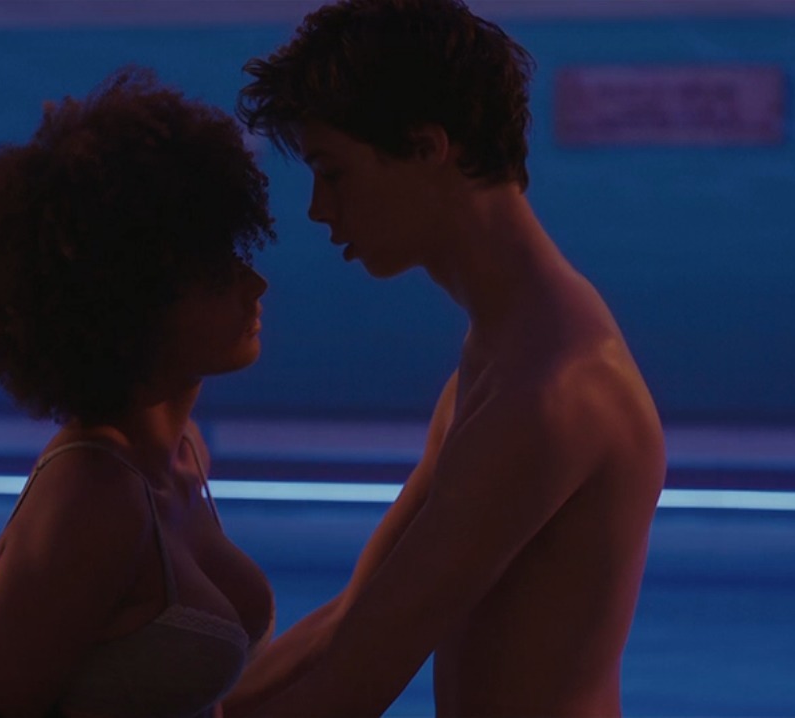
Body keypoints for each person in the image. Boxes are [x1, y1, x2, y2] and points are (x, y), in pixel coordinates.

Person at [225, 1, 666, 716]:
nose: (317, 208)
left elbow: (353, 685)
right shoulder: (501, 355)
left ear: (428, 147)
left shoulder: (552, 392)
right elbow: (353, 618)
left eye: (333, 172)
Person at [0, 67, 278, 718]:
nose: (255, 285)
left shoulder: (183, 455)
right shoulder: (91, 497)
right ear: (131, 307)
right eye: (212, 274)